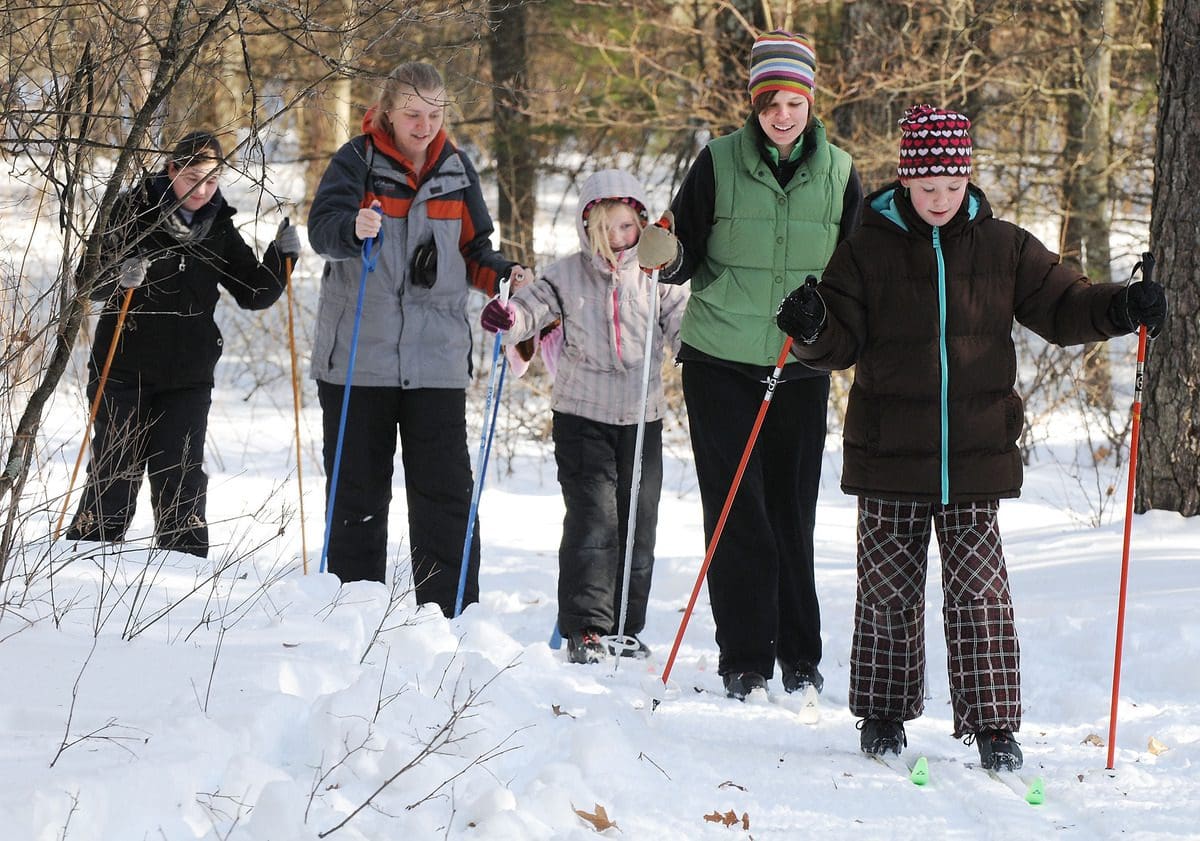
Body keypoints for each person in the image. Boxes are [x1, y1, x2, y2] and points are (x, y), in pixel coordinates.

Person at [776, 104, 1168, 770]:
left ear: (968, 179)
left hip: (974, 456)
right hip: (889, 453)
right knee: (887, 590)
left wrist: (1121, 306)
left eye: (951, 187)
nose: (938, 200)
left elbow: (1064, 302)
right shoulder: (866, 247)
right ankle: (882, 712)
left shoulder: (1003, 246)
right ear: (905, 180)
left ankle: (993, 723)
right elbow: (836, 336)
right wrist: (810, 325)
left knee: (980, 591)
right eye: (926, 188)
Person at [637, 31, 863, 701]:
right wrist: (663, 252)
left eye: (794, 102)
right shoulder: (717, 162)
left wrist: (827, 323)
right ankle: (744, 656)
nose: (782, 115)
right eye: (770, 103)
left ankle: (800, 654)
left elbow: (855, 274)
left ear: (811, 102)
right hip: (721, 362)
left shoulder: (843, 173)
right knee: (737, 509)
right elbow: (686, 252)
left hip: (800, 366)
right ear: (755, 104)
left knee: (792, 512)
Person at [306, 61, 533, 615]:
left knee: (445, 494)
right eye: (413, 114)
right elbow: (322, 230)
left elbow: (476, 250)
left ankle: (450, 616)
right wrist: (350, 227)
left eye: (435, 114)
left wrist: (503, 276)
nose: (425, 124)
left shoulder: (456, 169)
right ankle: (351, 615)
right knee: (358, 495)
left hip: (435, 360)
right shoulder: (355, 161)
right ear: (388, 110)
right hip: (358, 360)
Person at [480, 170, 689, 664]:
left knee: (639, 520)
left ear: (642, 224)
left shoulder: (656, 275)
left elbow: (682, 318)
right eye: (609, 227)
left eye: (629, 226)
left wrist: (692, 351)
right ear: (590, 228)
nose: (621, 237)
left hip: (642, 415)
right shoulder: (567, 273)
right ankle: (587, 628)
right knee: (594, 519)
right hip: (583, 414)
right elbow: (531, 309)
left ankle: (625, 625)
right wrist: (508, 318)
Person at [64, 131, 298, 557]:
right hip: (123, 366)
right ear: (170, 169)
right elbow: (89, 284)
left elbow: (253, 292)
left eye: (211, 181)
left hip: (188, 374)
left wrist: (281, 259)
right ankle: (87, 561)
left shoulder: (217, 224)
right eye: (191, 178)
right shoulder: (133, 210)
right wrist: (118, 273)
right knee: (116, 469)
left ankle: (184, 565)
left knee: (181, 471)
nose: (201, 190)